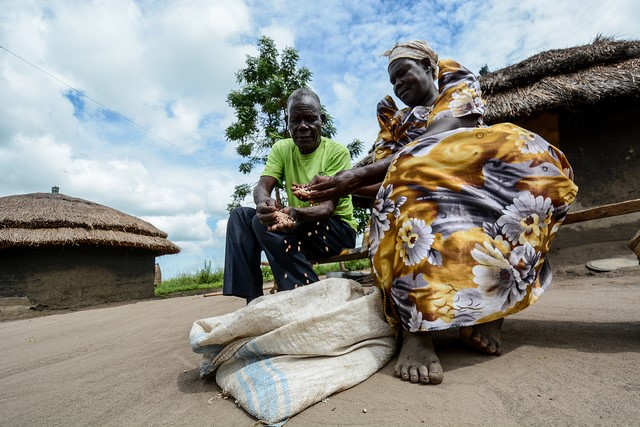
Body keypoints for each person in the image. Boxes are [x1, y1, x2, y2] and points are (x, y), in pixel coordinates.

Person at [302, 41, 578, 385]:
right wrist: (341, 187)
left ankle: (492, 311)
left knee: (521, 158)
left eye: (403, 73)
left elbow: (435, 141)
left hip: (476, 187)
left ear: (430, 68)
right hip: (419, 193)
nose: (398, 85)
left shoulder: (459, 88)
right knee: (404, 187)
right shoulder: (395, 122)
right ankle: (417, 330)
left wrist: (354, 176)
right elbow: (386, 180)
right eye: (392, 82)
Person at [223, 88, 358, 304]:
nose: (303, 126)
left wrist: (294, 213)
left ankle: (307, 295)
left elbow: (327, 208)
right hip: (298, 225)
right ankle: (253, 300)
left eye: (310, 119)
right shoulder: (282, 149)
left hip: (334, 228)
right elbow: (262, 185)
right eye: (295, 120)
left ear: (321, 120)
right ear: (288, 123)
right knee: (240, 216)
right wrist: (262, 202)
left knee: (262, 224)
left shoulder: (336, 152)